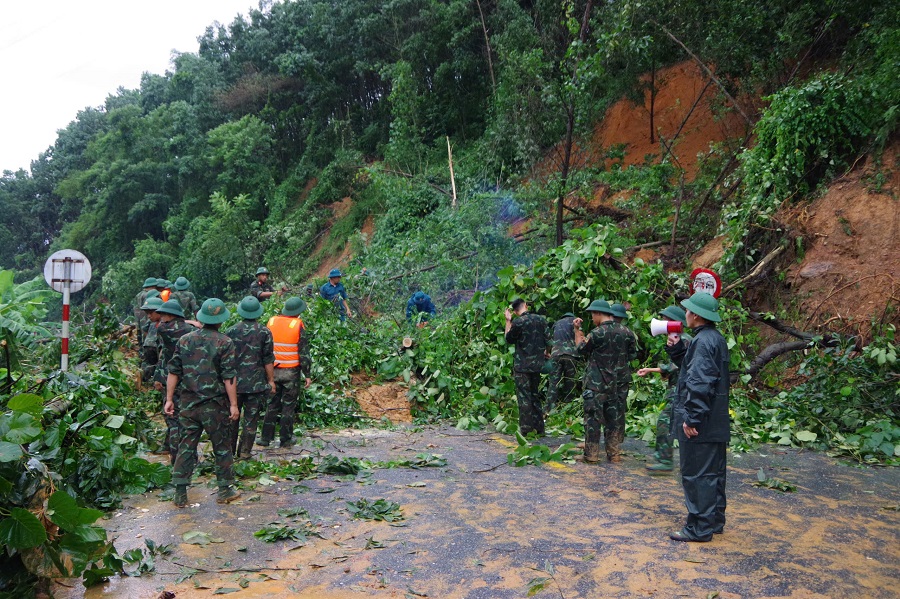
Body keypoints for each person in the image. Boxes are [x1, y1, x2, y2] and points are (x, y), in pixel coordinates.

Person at [164, 298, 241, 508]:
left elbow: (173, 371)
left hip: (188, 403)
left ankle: (180, 492)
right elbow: (229, 377)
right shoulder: (225, 342)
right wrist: (233, 404)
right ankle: (225, 489)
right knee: (222, 445)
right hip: (215, 405)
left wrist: (169, 399)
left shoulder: (185, 340)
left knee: (186, 445)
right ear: (221, 320)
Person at [669, 292, 730, 542]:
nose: (685, 315)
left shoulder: (703, 342)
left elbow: (700, 380)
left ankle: (699, 527)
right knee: (713, 472)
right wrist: (675, 351)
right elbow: (695, 368)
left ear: (695, 315)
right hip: (715, 420)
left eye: (687, 311)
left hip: (702, 422)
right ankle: (714, 520)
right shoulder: (714, 338)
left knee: (697, 473)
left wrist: (692, 418)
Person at [574, 299, 637, 463]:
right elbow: (632, 355)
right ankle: (614, 454)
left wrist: (577, 330)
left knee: (593, 419)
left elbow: (580, 349)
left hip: (596, 384)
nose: (592, 319)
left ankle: (591, 455)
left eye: (592, 315)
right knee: (613, 419)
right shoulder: (627, 332)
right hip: (616, 384)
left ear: (598, 314)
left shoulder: (596, 333)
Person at [636, 306, 690, 472]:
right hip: (678, 388)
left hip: (680, 390)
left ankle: (665, 461)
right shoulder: (680, 338)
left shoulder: (684, 339)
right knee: (670, 423)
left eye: (666, 320)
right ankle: (665, 457)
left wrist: (652, 370)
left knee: (665, 423)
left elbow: (674, 366)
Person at [225, 296, 276, 459]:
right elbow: (268, 359)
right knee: (251, 419)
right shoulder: (264, 332)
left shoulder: (231, 331)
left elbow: (225, 359)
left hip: (234, 384)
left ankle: (229, 451)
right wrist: (271, 380)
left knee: (232, 417)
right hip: (256, 384)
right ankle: (245, 452)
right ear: (258, 313)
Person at [261, 297, 311, 449]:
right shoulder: (298, 325)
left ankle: (265, 438)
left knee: (272, 405)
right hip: (291, 373)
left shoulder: (271, 322)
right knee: (288, 407)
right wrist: (307, 374)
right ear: (297, 312)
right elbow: (304, 353)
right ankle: (285, 439)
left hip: (272, 371)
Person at [154, 300, 197, 465]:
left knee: (173, 421)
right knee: (188, 421)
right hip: (189, 380)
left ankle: (176, 459)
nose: (161, 317)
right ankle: (192, 458)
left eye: (163, 314)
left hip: (170, 379)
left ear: (171, 315)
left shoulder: (163, 330)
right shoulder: (191, 331)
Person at [504, 298, 550, 436]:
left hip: (522, 366)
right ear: (525, 305)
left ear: (515, 310)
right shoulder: (540, 320)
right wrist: (547, 352)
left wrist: (508, 321)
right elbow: (549, 339)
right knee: (534, 395)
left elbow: (508, 339)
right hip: (537, 365)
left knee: (524, 397)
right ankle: (539, 429)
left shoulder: (518, 322)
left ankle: (526, 430)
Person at [546, 312, 581, 413]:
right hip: (570, 355)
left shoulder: (556, 324)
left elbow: (550, 340)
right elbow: (579, 335)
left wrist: (548, 352)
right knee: (570, 382)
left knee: (553, 383)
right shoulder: (575, 320)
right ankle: (568, 407)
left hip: (556, 355)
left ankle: (548, 409)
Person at [140, 294, 163, 385]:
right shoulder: (155, 323)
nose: (149, 316)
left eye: (151, 313)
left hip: (152, 346)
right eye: (147, 313)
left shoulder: (162, 323)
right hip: (152, 347)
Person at [133, 277, 157, 346]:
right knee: (146, 334)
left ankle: (141, 352)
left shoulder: (139, 294)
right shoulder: (149, 295)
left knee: (140, 334)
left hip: (138, 318)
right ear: (153, 286)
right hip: (146, 318)